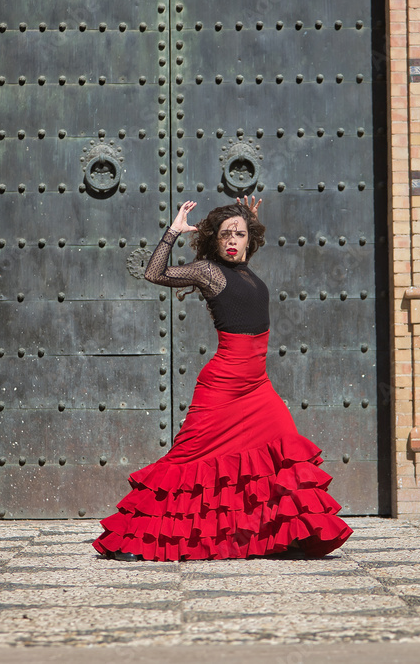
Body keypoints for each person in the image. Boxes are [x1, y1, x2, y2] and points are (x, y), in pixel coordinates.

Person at [92, 198, 353, 561]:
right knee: (188, 457)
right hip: (224, 383)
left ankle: (285, 536)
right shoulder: (208, 272)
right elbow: (155, 274)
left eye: (240, 235)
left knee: (284, 450)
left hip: (258, 386)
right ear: (214, 240)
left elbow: (244, 259)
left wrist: (249, 222)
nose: (232, 240)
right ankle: (135, 539)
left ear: (250, 240)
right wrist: (173, 232)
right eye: (226, 234)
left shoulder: (245, 270)